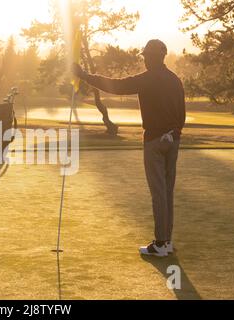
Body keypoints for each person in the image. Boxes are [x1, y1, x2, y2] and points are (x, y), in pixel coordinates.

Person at [73, 39, 186, 257]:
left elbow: (115, 86)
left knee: (158, 193)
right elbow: (181, 113)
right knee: (167, 192)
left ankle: (160, 243)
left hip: (154, 141)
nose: (144, 60)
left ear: (152, 58)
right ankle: (167, 241)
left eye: (146, 57)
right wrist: (176, 134)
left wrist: (84, 75)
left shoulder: (147, 79)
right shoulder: (175, 80)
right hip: (174, 141)